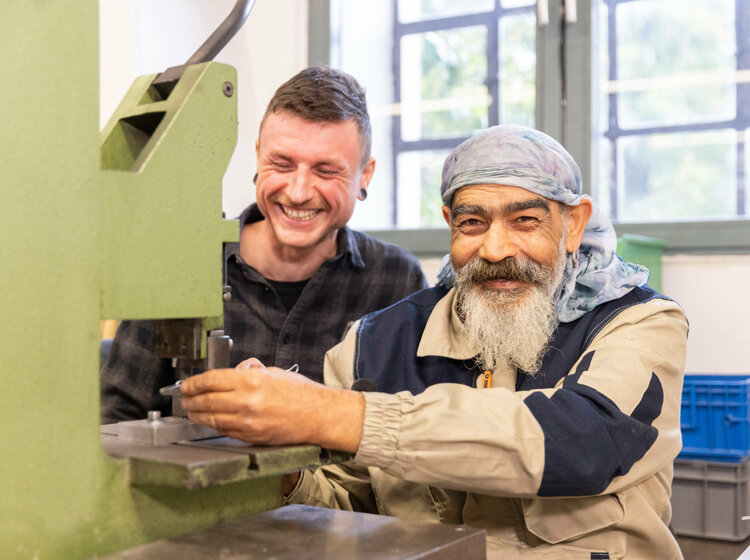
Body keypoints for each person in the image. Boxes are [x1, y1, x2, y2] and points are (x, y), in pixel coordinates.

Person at [180, 125, 689, 559]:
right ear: (450, 225)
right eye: (472, 223)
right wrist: (283, 466)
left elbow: (581, 444)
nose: (494, 248)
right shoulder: (374, 342)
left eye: (525, 220)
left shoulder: (640, 322)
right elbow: (345, 503)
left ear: (572, 224)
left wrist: (335, 415)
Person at [100, 67, 427, 423]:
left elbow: (410, 428)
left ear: (364, 175)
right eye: (282, 164)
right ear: (259, 156)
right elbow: (117, 416)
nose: (299, 192)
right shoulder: (181, 262)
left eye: (326, 171)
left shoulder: (398, 281)